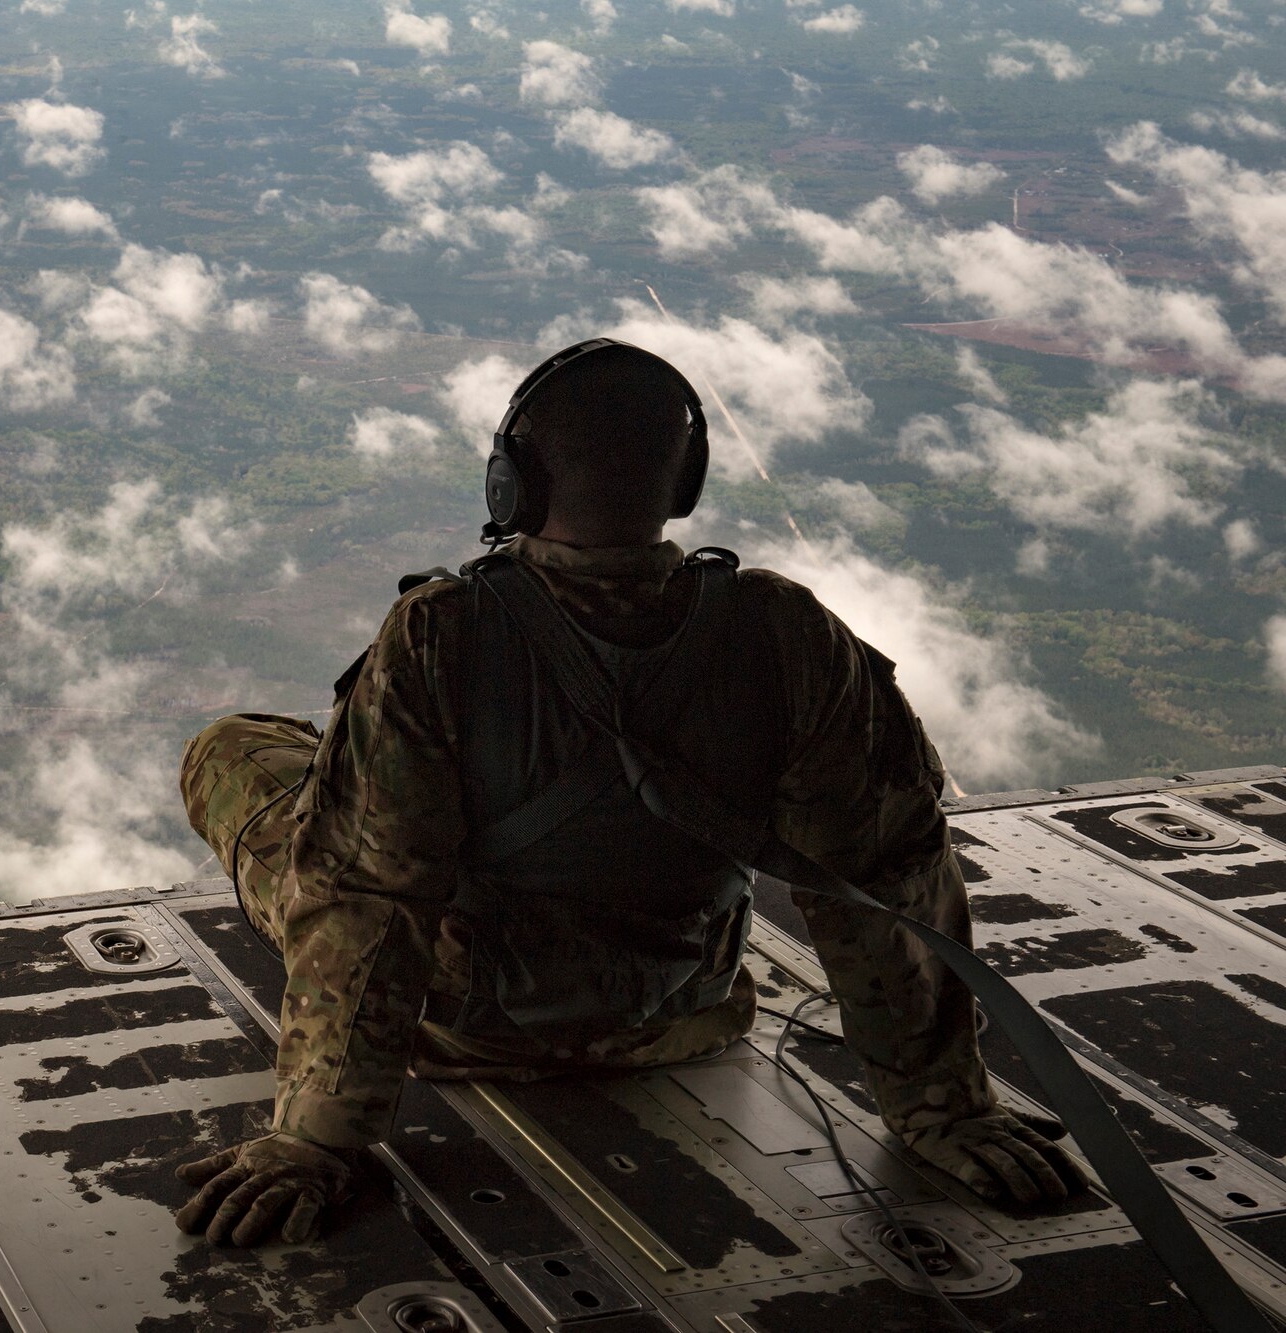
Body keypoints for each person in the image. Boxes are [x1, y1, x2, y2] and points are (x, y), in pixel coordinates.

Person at [171, 339, 1086, 1248]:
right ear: (681, 483)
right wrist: (942, 1110)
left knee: (236, 748)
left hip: (469, 1032)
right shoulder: (785, 629)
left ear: (511, 485)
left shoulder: (441, 634)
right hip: (683, 1019)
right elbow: (890, 877)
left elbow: (366, 899)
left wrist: (313, 1140)